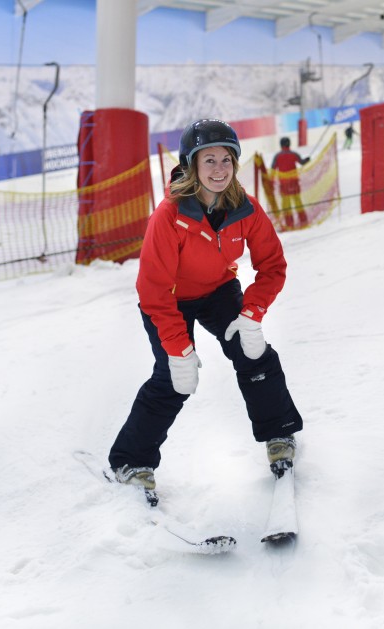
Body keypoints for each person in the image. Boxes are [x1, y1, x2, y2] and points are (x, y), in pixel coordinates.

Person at [108, 118, 303, 496]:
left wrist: (252, 313)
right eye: (209, 160)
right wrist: (179, 348)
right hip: (167, 301)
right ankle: (131, 461)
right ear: (192, 165)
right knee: (172, 377)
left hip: (216, 291)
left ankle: (279, 437)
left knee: (254, 353)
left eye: (226, 160)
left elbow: (273, 266)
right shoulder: (169, 216)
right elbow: (153, 291)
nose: (219, 169)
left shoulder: (244, 208)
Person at [270, 137, 311, 229]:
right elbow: (302, 162)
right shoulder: (294, 154)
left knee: (286, 205)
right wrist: (307, 159)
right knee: (298, 202)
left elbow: (272, 170)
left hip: (284, 185)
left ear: (281, 145)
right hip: (294, 184)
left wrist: (271, 184)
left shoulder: (277, 156)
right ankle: (303, 221)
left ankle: (289, 224)